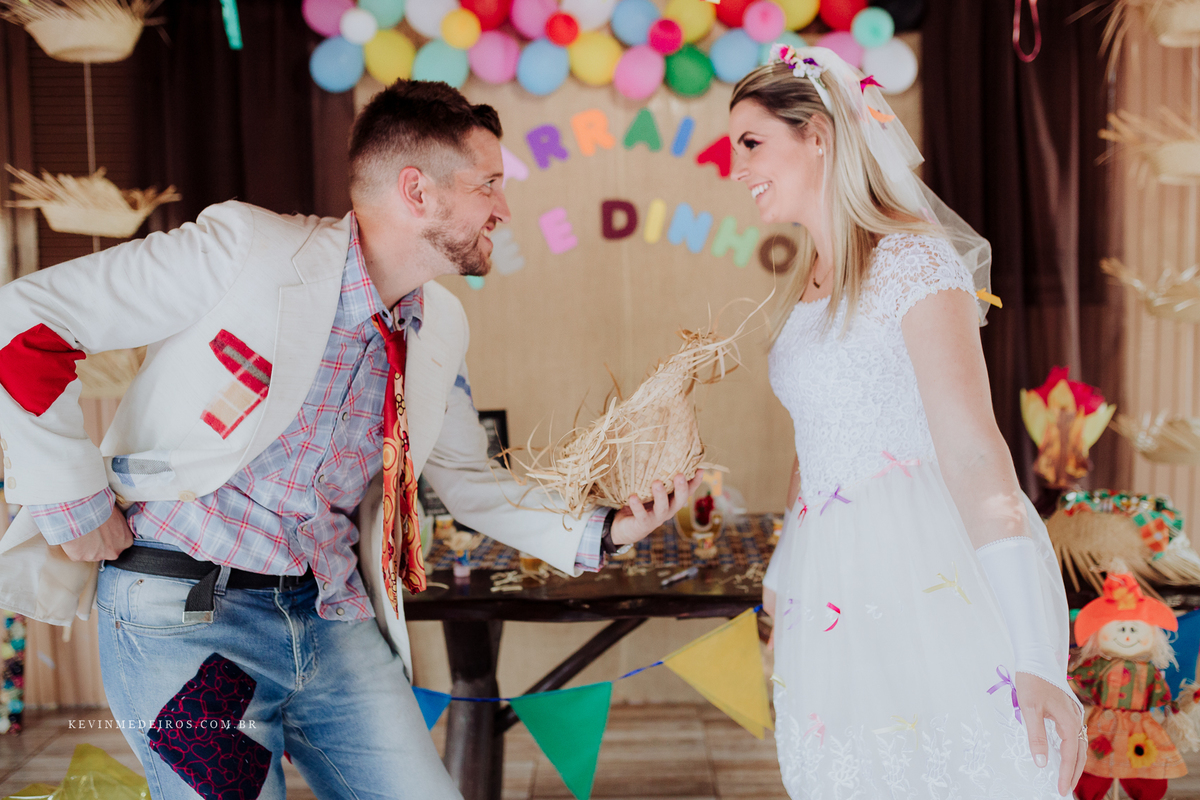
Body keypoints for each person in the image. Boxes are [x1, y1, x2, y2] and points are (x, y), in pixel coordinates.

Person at [0, 79, 698, 800]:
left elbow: (468, 479)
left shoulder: (441, 327)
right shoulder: (245, 249)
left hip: (330, 620)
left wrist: (606, 529)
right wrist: (73, 499)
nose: (504, 208)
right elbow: (22, 321)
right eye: (489, 184)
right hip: (184, 618)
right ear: (417, 191)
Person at [729, 47, 1086, 798]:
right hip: (833, 581)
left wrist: (1033, 652)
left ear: (818, 136)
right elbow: (813, 443)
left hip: (926, 567)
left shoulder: (916, 263)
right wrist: (786, 569)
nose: (739, 167)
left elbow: (972, 449)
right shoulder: (808, 281)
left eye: (752, 142)